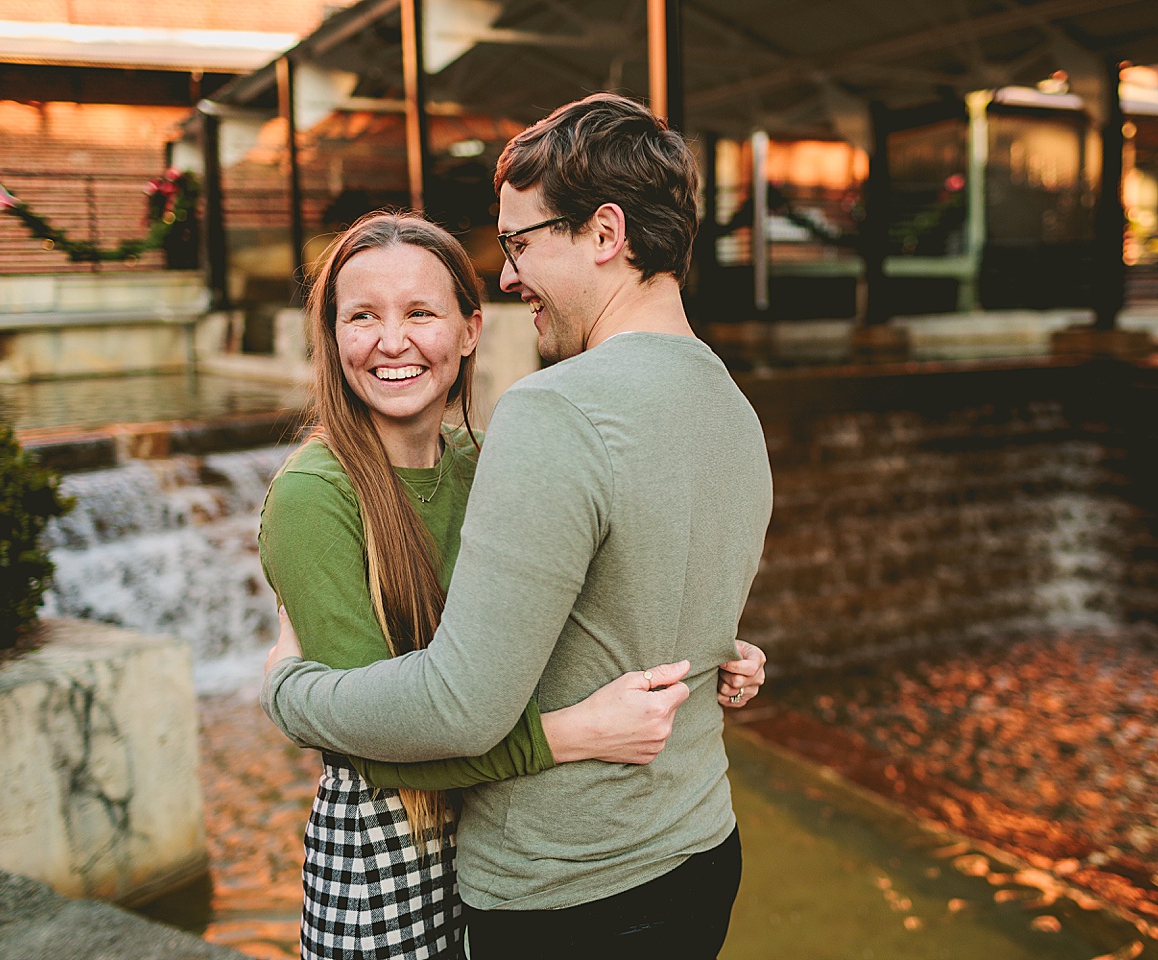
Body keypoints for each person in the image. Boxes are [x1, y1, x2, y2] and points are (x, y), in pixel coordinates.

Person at [261, 92, 774, 959]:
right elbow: (662, 602)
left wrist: (286, 688)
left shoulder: (551, 410)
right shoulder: (732, 405)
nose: (507, 276)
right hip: (702, 849)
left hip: (572, 890)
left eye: (520, 243)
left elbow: (459, 709)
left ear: (605, 234)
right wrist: (726, 653)